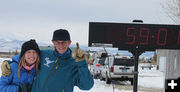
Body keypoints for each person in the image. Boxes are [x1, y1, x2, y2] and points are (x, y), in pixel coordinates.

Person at [1, 29, 94, 92]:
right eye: (58, 42)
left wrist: (82, 63)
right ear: (53, 42)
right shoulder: (45, 54)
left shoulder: (74, 64)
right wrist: (9, 63)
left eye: (64, 42)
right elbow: (28, 55)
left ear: (69, 42)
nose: (61, 45)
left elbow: (87, 86)